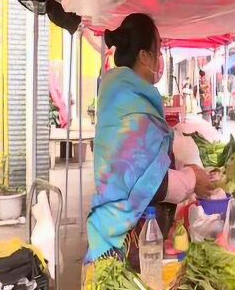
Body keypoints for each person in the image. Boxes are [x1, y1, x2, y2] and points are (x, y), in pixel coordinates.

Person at [85, 13, 211, 267]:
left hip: (125, 229)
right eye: (159, 50)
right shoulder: (128, 101)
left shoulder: (125, 94)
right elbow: (148, 184)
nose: (161, 59)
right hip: (121, 239)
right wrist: (192, 178)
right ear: (144, 56)